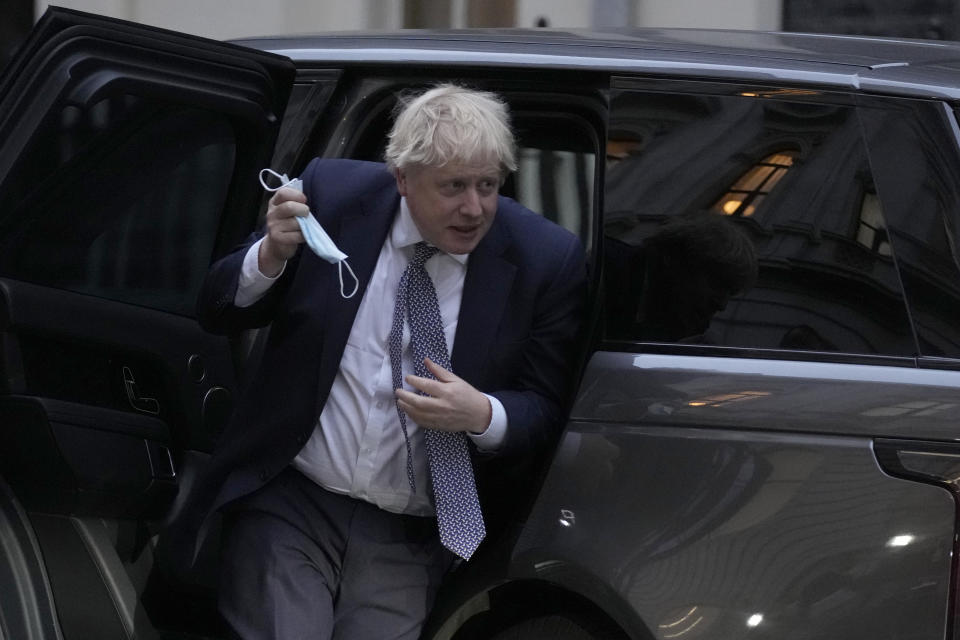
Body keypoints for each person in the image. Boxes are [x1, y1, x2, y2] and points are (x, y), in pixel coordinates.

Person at [164, 84, 588, 640]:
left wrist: (482, 413)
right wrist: (269, 255)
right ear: (402, 178)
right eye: (453, 186)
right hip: (293, 499)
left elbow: (546, 406)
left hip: (410, 532)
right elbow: (217, 308)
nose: (474, 207)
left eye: (488, 185)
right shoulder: (332, 196)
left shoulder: (544, 258)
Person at [605, 212, 757, 343]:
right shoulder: (600, 274)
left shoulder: (679, 323)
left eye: (730, 293)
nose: (721, 304)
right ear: (675, 259)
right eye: (718, 283)